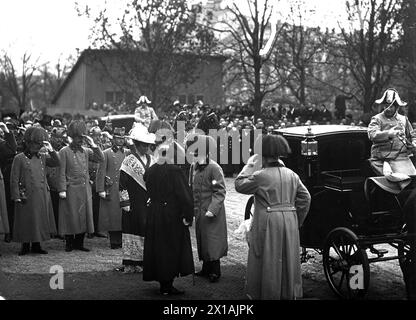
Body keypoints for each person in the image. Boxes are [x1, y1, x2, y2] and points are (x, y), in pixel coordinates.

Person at [235, 134, 311, 300]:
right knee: (288, 258)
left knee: (266, 258)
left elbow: (239, 184)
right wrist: (296, 219)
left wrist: (251, 164)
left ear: (262, 154)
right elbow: (306, 198)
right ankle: (288, 294)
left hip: (268, 220)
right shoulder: (292, 174)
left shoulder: (260, 176)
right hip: (290, 218)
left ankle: (267, 294)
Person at [143, 121, 194, 295]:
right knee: (171, 248)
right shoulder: (175, 172)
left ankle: (163, 283)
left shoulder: (150, 171)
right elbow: (185, 196)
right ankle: (167, 285)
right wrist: (188, 215)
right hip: (171, 214)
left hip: (155, 212)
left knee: (158, 247)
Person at [10, 126, 60, 255]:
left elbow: (57, 162)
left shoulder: (42, 157)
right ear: (28, 143)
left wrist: (51, 149)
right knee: (26, 220)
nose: (38, 146)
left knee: (39, 220)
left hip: (41, 194)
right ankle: (25, 246)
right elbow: (14, 178)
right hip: (26, 194)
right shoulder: (19, 158)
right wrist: (16, 195)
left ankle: (37, 245)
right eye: (36, 143)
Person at [58, 120, 104, 252]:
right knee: (70, 215)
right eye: (78, 137)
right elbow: (61, 171)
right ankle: (69, 242)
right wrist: (62, 189)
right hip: (71, 188)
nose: (80, 140)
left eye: (81, 137)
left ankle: (79, 242)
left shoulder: (86, 151)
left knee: (83, 215)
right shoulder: (64, 151)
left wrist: (94, 145)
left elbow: (100, 158)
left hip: (84, 189)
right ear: (72, 137)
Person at [188, 134, 228, 283]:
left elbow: (220, 191)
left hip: (211, 210)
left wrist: (213, 209)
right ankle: (206, 268)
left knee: (212, 240)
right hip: (199, 209)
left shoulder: (214, 168)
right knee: (202, 238)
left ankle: (215, 271)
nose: (195, 155)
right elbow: (190, 187)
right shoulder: (193, 167)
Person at [119, 124, 155, 273]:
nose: (146, 147)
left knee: (146, 228)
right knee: (132, 228)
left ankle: (144, 261)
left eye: (147, 145)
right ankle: (130, 262)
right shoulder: (128, 161)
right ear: (137, 144)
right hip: (133, 202)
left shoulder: (152, 160)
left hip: (148, 201)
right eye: (143, 145)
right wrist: (125, 202)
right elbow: (122, 183)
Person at [368, 88, 416, 176]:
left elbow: (412, 135)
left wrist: (414, 142)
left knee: (411, 179)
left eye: (391, 106)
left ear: (397, 107)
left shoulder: (403, 119)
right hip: (382, 159)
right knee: (392, 180)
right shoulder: (377, 119)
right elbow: (372, 134)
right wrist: (388, 134)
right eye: (386, 106)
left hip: (402, 158)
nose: (388, 109)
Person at [96, 127, 127, 249]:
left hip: (124, 188)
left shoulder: (128, 152)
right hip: (112, 188)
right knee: (113, 215)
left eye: (122, 138)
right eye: (118, 138)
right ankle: (114, 241)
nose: (120, 140)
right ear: (113, 139)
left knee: (123, 215)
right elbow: (101, 172)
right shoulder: (106, 153)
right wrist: (100, 189)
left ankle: (122, 240)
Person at [0, 121, 17, 243]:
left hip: (3, 177)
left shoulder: (1, 143)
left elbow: (12, 150)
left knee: (7, 206)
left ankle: (8, 232)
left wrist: (6, 131)